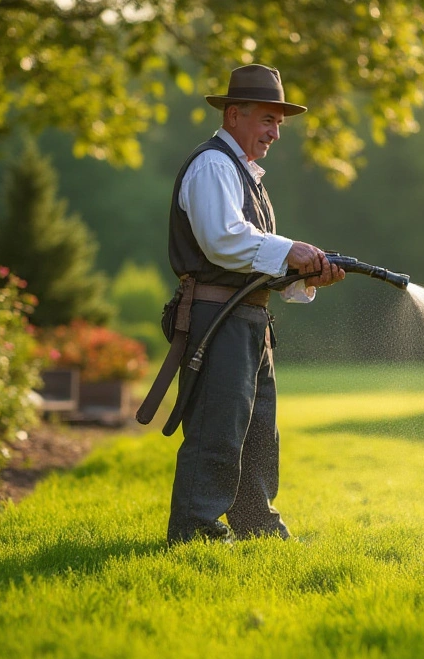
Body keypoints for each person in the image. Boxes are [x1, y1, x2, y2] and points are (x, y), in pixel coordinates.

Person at [164, 64, 345, 544]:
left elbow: (254, 262)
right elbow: (223, 241)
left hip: (247, 319)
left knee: (259, 432)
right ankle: (195, 532)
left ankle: (257, 526)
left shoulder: (246, 176)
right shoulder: (213, 165)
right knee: (217, 429)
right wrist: (290, 251)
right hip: (217, 317)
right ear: (234, 113)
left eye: (279, 123)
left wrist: (304, 278)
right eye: (268, 119)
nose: (274, 132)